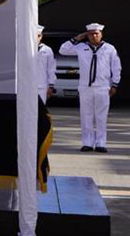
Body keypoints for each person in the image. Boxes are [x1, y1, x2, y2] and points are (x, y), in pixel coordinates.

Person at [59, 23, 121, 153]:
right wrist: (78, 38)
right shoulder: (81, 47)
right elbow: (63, 50)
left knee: (101, 116)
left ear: (101, 34)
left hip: (103, 87)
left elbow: (116, 67)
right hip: (85, 87)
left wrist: (114, 84)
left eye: (96, 33)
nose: (94, 36)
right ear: (87, 35)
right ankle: (87, 143)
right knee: (86, 115)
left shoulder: (109, 48)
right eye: (91, 34)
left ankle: (100, 143)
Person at [36, 25, 57, 104]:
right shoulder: (24, 49)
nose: (36, 38)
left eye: (38, 36)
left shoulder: (47, 50)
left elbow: (51, 69)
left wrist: (51, 85)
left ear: (41, 36)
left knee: (40, 108)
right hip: (27, 85)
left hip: (41, 86)